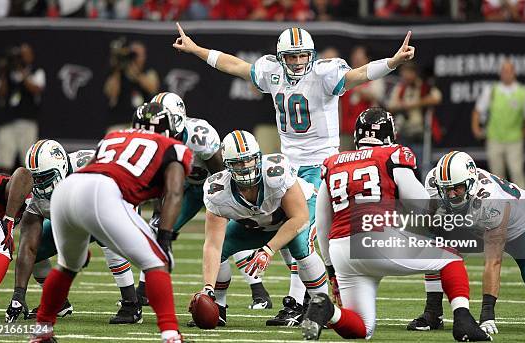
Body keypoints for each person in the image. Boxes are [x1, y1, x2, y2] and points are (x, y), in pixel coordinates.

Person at [172, 23, 414, 321]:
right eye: (291, 56)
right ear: (280, 56)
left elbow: (357, 76)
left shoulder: (324, 74)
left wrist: (391, 63)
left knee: (300, 233)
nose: (298, 62)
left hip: (320, 164)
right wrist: (197, 50)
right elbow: (234, 65)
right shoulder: (272, 71)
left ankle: (303, 304)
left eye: (302, 56)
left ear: (311, 55)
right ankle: (288, 301)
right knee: (287, 232)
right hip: (287, 164)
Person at [301, 108, 490, 341]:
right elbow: (420, 203)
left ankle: (328, 311)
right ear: (390, 134)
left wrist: (331, 269)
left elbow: (322, 222)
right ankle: (464, 321)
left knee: (363, 329)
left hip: (341, 250)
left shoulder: (333, 163)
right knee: (450, 256)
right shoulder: (392, 155)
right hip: (376, 240)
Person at [29, 103, 192, 343]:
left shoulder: (115, 136)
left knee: (66, 266)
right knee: (157, 261)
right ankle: (171, 336)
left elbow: (97, 166)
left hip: (67, 191)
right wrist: (165, 236)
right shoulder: (174, 147)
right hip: (103, 191)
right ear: (170, 129)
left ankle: (41, 332)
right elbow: (174, 193)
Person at [406, 151, 525, 334]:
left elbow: (493, 261)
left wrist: (487, 316)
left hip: (524, 225)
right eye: (446, 189)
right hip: (476, 224)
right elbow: (430, 220)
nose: (451, 194)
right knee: (436, 245)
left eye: (457, 188)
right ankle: (433, 313)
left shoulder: (490, 199)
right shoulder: (434, 181)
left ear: (470, 183)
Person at [135, 92, 274, 313]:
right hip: (181, 187)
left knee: (225, 235)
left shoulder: (199, 135)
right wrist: (161, 216)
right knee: (157, 229)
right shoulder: (152, 140)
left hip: (209, 185)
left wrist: (228, 207)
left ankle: (258, 290)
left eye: (163, 121)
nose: (156, 127)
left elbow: (220, 175)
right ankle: (142, 293)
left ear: (177, 120)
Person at [195, 130, 328, 328]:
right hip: (260, 223)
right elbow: (212, 246)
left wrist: (268, 250)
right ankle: (218, 307)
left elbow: (299, 218)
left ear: (258, 158)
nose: (245, 167)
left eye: (249, 160)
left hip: (297, 211)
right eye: (238, 163)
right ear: (227, 166)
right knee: (221, 249)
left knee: (299, 245)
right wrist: (208, 288)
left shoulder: (276, 173)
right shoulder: (218, 192)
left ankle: (322, 308)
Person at [4, 139, 142, 325]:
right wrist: (18, 294)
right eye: (36, 179)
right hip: (72, 220)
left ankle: (131, 304)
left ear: (61, 166)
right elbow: (28, 246)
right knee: (36, 248)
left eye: (45, 177)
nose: (40, 184)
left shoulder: (89, 169)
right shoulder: (37, 194)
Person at [471, 60, 525, 190]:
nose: (506, 74)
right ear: (500, 73)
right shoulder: (492, 90)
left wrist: (523, 134)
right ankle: (499, 207)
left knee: (517, 173)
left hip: (514, 140)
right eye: (504, 71)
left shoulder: (523, 93)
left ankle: (524, 205)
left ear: (514, 73)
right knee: (496, 176)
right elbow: (477, 111)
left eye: (509, 71)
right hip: (494, 139)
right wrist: (476, 129)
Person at [0, 167, 33, 332]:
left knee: (2, 248)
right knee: (1, 248)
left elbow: (31, 246)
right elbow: (23, 174)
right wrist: (9, 218)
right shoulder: (18, 185)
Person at [0, 43, 45, 174]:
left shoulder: (36, 71)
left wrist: (22, 71)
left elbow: (36, 89)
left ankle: (27, 192)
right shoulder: (6, 73)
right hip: (7, 121)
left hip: (27, 122)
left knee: (29, 162)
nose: (21, 58)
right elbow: (0, 92)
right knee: (4, 161)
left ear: (31, 56)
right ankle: (2, 189)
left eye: (24, 55)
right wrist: (5, 72)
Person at [104, 40, 159, 131]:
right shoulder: (118, 74)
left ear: (144, 56)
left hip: (142, 124)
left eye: (137, 54)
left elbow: (153, 88)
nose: (134, 58)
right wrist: (117, 66)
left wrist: (136, 72)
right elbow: (110, 93)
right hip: (119, 122)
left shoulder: (148, 72)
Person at [339, 45, 385, 151]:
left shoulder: (375, 76)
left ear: (367, 59)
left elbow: (377, 96)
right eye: (354, 58)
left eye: (359, 58)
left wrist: (357, 86)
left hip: (366, 132)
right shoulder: (344, 76)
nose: (356, 61)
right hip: (345, 131)